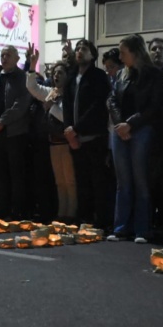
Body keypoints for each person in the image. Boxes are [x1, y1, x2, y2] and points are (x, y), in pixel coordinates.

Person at [107, 34, 163, 243]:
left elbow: (154, 106)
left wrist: (131, 124)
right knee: (123, 181)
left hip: (141, 130)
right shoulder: (122, 75)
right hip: (120, 130)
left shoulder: (154, 75)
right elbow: (112, 100)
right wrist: (120, 123)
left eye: (123, 53)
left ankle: (142, 228)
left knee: (141, 180)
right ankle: (121, 227)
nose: (121, 57)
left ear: (135, 52)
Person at [64, 39, 112, 230]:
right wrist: (69, 130)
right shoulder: (72, 77)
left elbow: (97, 107)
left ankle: (100, 220)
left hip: (94, 137)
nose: (79, 52)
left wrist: (77, 129)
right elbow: (67, 105)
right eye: (77, 49)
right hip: (75, 138)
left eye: (84, 49)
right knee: (81, 180)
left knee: (98, 181)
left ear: (93, 55)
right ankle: (83, 217)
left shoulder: (99, 76)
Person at [25, 46, 77, 222]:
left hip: (66, 142)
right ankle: (62, 213)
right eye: (55, 73)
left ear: (68, 75)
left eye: (61, 73)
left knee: (70, 181)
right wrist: (32, 66)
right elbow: (32, 87)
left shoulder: (70, 94)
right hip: (53, 142)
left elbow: (65, 116)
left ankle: (72, 213)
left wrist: (51, 107)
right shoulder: (51, 92)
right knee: (59, 182)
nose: (56, 76)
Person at [0, 45, 31, 218]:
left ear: (17, 59)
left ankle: (17, 211)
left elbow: (21, 104)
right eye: (2, 55)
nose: (4, 58)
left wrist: (1, 121)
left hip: (14, 133)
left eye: (8, 55)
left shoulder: (22, 77)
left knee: (16, 175)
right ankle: (2, 209)